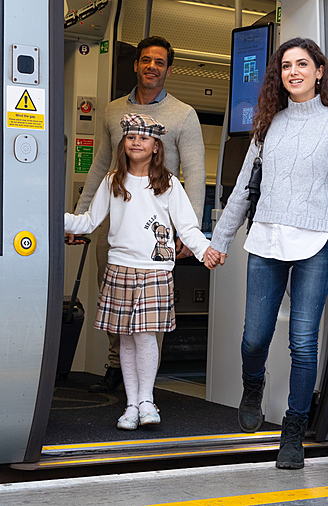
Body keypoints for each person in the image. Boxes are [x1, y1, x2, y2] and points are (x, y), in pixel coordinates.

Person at [203, 38, 328, 470]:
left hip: (316, 241)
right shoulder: (268, 124)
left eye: (302, 64)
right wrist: (219, 241)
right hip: (266, 238)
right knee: (254, 337)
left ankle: (293, 430)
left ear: (319, 71)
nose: (293, 71)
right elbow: (244, 189)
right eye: (285, 66)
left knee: (303, 342)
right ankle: (253, 386)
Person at [69, 36, 206, 393]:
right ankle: (117, 365)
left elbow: (195, 175)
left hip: (156, 229)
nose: (151, 67)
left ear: (168, 70)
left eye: (159, 62)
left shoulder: (183, 115)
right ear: (136, 65)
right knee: (113, 297)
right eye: (146, 60)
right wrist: (81, 218)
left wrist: (187, 231)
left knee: (149, 312)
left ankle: (144, 387)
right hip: (115, 224)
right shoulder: (113, 111)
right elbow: (101, 166)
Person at [65, 114, 210, 430]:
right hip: (120, 268)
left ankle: (146, 400)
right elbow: (89, 221)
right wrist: (54, 216)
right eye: (131, 137)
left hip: (155, 271)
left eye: (143, 138)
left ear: (156, 147)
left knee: (145, 337)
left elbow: (187, 227)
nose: (136, 143)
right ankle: (131, 404)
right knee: (126, 339)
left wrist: (204, 251)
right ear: (123, 143)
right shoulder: (112, 181)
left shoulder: (168, 184)